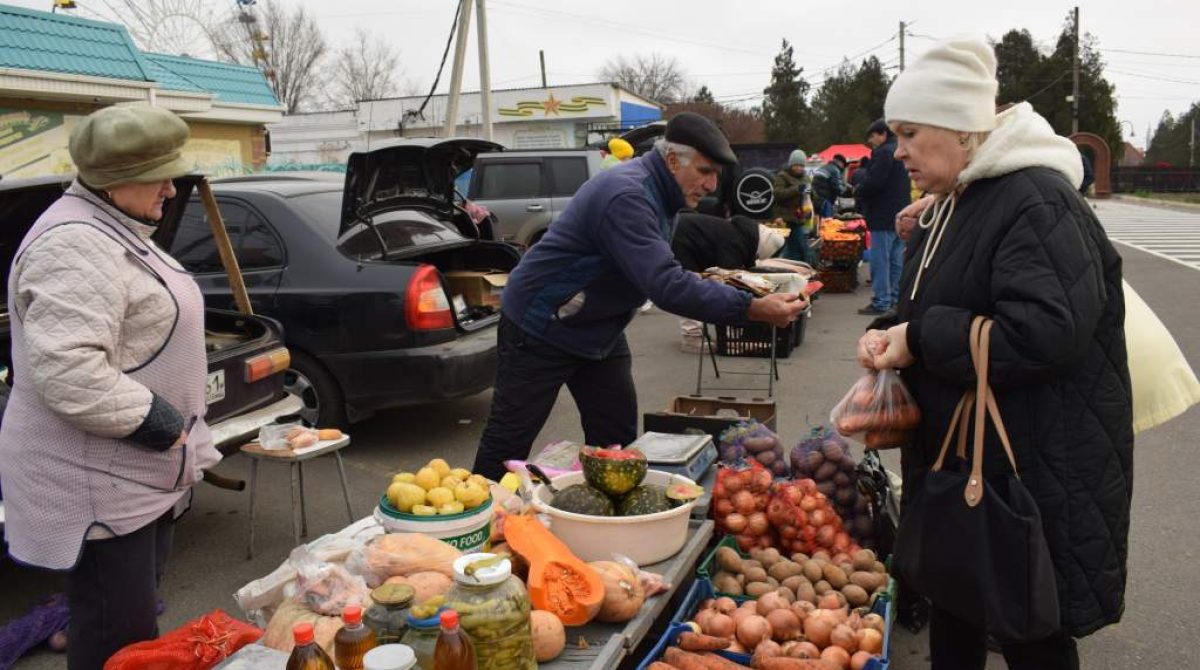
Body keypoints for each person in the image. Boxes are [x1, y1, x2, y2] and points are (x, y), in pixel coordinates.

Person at [856, 38, 1132, 670]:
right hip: (972, 462)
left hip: (1029, 467)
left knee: (1030, 629)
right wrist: (890, 329)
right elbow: (946, 296)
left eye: (908, 132)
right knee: (960, 604)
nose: (896, 150)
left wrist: (920, 340)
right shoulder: (962, 199)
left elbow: (1046, 333)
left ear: (959, 129)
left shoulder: (1035, 200)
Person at [0, 105, 221, 669]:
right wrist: (168, 427)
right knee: (114, 636)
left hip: (133, 478)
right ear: (113, 179)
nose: (172, 188)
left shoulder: (111, 224)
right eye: (160, 174)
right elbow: (70, 372)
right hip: (95, 484)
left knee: (135, 628)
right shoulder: (72, 244)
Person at [471, 113, 806, 480]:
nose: (712, 185)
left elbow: (660, 268)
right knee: (507, 443)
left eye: (716, 175)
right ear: (673, 160)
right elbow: (665, 285)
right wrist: (752, 307)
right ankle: (480, 523)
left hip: (599, 329)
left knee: (616, 442)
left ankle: (609, 524)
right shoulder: (627, 195)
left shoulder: (663, 192)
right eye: (705, 171)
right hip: (541, 325)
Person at [854, 118, 912, 315]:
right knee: (896, 260)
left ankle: (881, 301)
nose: (871, 141)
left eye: (873, 137)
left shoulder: (883, 153)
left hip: (882, 215)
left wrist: (858, 191)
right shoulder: (902, 150)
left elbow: (874, 183)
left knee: (881, 261)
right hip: (900, 213)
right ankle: (896, 300)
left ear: (882, 134)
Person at [772, 149, 815, 263]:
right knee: (797, 246)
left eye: (801, 165)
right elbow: (777, 194)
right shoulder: (782, 176)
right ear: (791, 164)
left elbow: (811, 195)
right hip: (785, 218)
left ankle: (796, 268)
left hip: (801, 218)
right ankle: (796, 265)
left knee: (796, 248)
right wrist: (796, 189)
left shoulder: (806, 177)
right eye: (796, 165)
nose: (799, 168)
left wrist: (814, 195)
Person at [811, 153, 848, 218]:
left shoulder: (823, 167)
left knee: (819, 223)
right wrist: (846, 190)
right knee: (828, 223)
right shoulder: (835, 170)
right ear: (840, 163)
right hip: (825, 201)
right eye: (843, 165)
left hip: (815, 201)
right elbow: (838, 189)